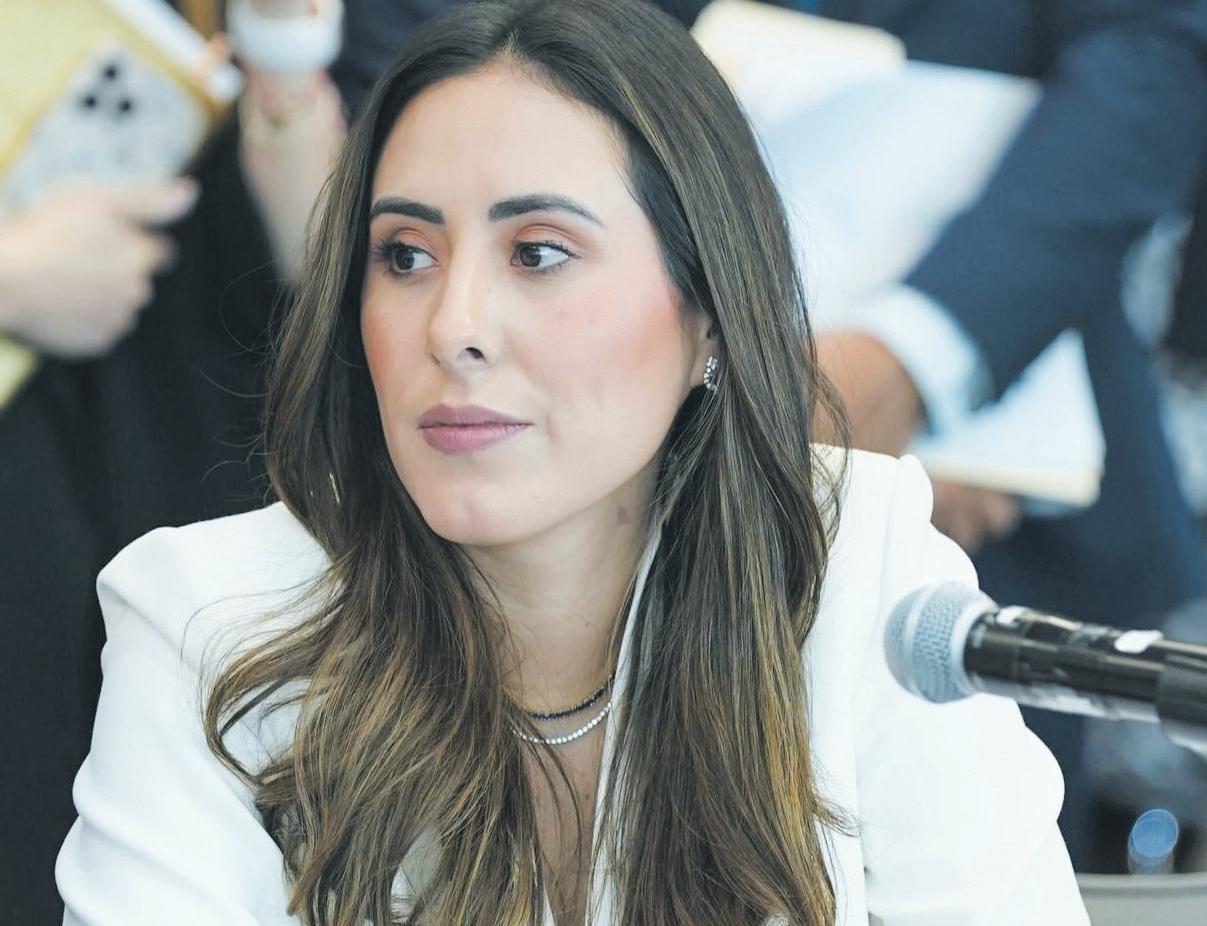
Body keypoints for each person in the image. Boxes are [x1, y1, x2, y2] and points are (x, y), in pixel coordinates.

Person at [57, 2, 1089, 923]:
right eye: (405, 256)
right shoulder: (205, 618)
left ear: (708, 313)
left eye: (538, 252)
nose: (453, 327)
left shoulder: (865, 574)